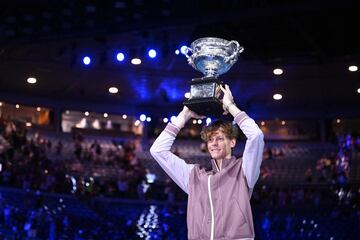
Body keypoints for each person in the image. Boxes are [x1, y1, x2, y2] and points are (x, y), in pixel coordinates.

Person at [150, 85, 264, 239]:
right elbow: (157, 150)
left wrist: (230, 106)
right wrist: (184, 115)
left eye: (220, 138)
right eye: (210, 139)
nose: (214, 143)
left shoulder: (244, 170)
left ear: (232, 142)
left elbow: (256, 135)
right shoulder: (195, 176)